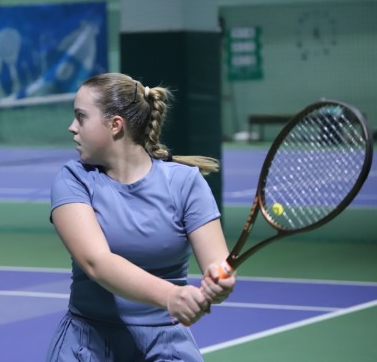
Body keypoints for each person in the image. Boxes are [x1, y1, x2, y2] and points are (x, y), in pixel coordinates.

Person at [46, 73, 236, 361]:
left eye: (81, 117)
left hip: (166, 342)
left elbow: (217, 263)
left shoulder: (186, 182)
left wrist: (220, 282)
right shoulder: (73, 179)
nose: (72, 127)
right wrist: (170, 296)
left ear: (115, 125)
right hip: (88, 344)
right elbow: (97, 262)